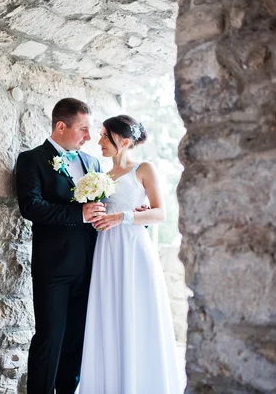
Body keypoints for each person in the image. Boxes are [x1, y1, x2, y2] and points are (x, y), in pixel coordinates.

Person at [78, 115, 184, 393]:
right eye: (101, 135)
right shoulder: (100, 176)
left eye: (105, 136)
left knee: (136, 312)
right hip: (106, 251)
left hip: (134, 248)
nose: (99, 141)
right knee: (108, 314)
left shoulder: (144, 169)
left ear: (124, 141)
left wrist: (123, 217)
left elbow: (161, 213)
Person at [16, 98, 106, 394]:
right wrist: (78, 214)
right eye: (83, 129)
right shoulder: (32, 160)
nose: (89, 137)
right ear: (60, 125)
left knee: (76, 340)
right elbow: (31, 207)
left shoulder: (92, 163)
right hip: (53, 268)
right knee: (50, 338)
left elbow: (104, 205)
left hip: (90, 265)